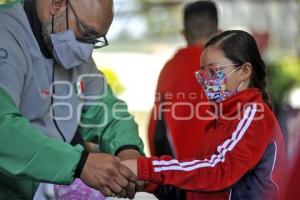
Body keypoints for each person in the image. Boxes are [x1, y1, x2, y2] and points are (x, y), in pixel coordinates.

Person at [0, 0, 144, 199]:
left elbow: (106, 109)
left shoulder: (69, 49)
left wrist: (128, 150)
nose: (88, 49)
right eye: (86, 33)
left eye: (96, 40)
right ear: (57, 5)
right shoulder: (6, 33)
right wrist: (79, 163)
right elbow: (3, 128)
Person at [123, 30, 286, 200]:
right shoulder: (220, 120)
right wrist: (147, 181)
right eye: (203, 73)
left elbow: (218, 170)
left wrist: (146, 168)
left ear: (244, 71)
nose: (207, 80)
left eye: (214, 72)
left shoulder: (254, 116)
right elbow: (196, 186)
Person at [148, 0, 218, 160]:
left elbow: (155, 127)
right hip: (217, 171)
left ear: (184, 34)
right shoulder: (224, 66)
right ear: (218, 33)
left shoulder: (169, 68)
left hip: (176, 171)